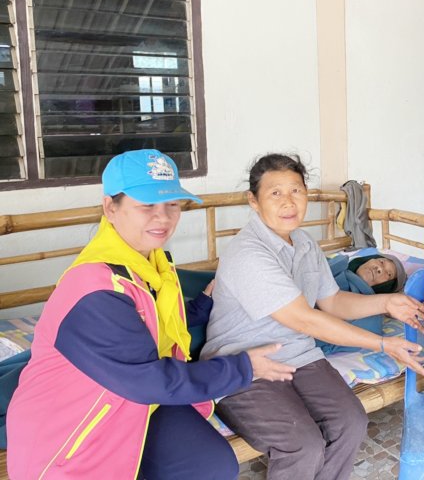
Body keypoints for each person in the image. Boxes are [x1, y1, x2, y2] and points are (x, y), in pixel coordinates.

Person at [7, 149, 293, 480]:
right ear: (110, 207)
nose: (163, 217)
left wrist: (202, 305)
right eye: (147, 205)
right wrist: (243, 367)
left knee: (214, 464)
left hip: (135, 396)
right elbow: (149, 378)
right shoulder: (95, 288)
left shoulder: (149, 264)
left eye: (172, 204)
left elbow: (150, 321)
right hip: (77, 422)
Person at [201, 153, 424, 480]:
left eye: (296, 190)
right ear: (253, 200)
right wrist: (383, 344)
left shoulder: (305, 243)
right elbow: (305, 319)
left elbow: (332, 301)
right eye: (275, 193)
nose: (288, 202)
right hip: (244, 364)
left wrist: (387, 302)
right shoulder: (247, 253)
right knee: (302, 445)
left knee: (351, 422)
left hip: (301, 356)